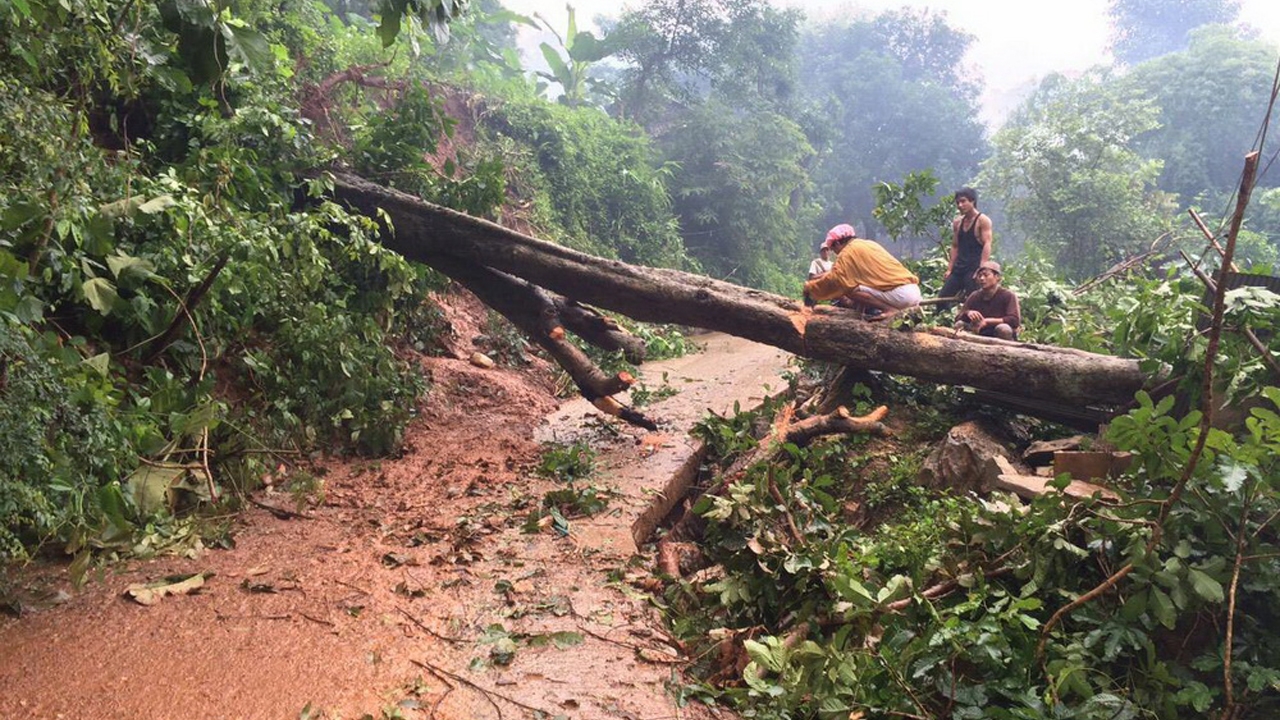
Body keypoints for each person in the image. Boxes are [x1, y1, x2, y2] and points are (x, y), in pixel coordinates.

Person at [804, 223, 922, 320]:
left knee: (848, 288)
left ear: (839, 243)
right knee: (857, 284)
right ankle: (859, 314)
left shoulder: (847, 253)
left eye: (833, 248)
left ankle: (889, 310)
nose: (834, 253)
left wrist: (811, 288)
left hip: (901, 296)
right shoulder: (869, 244)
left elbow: (836, 279)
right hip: (914, 292)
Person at [940, 187, 992, 307]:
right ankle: (943, 321)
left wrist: (982, 268)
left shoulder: (983, 221)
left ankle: (975, 323)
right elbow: (955, 246)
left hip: (973, 268)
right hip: (959, 268)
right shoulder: (958, 222)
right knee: (943, 299)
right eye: (958, 202)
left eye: (963, 201)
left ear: (972, 201)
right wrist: (949, 268)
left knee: (974, 300)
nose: (960, 205)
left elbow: (987, 244)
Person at [955, 260, 1020, 339]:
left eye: (986, 275)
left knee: (1003, 329)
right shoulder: (974, 296)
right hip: (980, 331)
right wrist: (968, 313)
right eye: (980, 275)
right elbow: (958, 318)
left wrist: (987, 321)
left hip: (998, 333)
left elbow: (1014, 320)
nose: (982, 278)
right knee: (959, 324)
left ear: (997, 277)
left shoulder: (1008, 295)